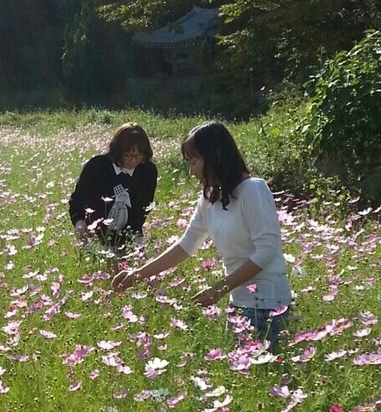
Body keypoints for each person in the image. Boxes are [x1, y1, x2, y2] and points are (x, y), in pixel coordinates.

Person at [112, 121, 292, 344]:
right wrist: (137, 274)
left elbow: (266, 252)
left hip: (269, 309)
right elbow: (185, 246)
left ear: (215, 157)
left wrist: (217, 290)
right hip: (239, 306)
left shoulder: (253, 190)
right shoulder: (210, 199)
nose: (192, 170)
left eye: (194, 161)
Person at [69, 122, 158, 252]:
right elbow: (77, 199)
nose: (134, 160)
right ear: (117, 151)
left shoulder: (148, 171)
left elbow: (144, 207)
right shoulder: (97, 167)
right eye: (128, 155)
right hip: (96, 238)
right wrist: (79, 222)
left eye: (139, 156)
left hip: (131, 238)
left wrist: (128, 237)